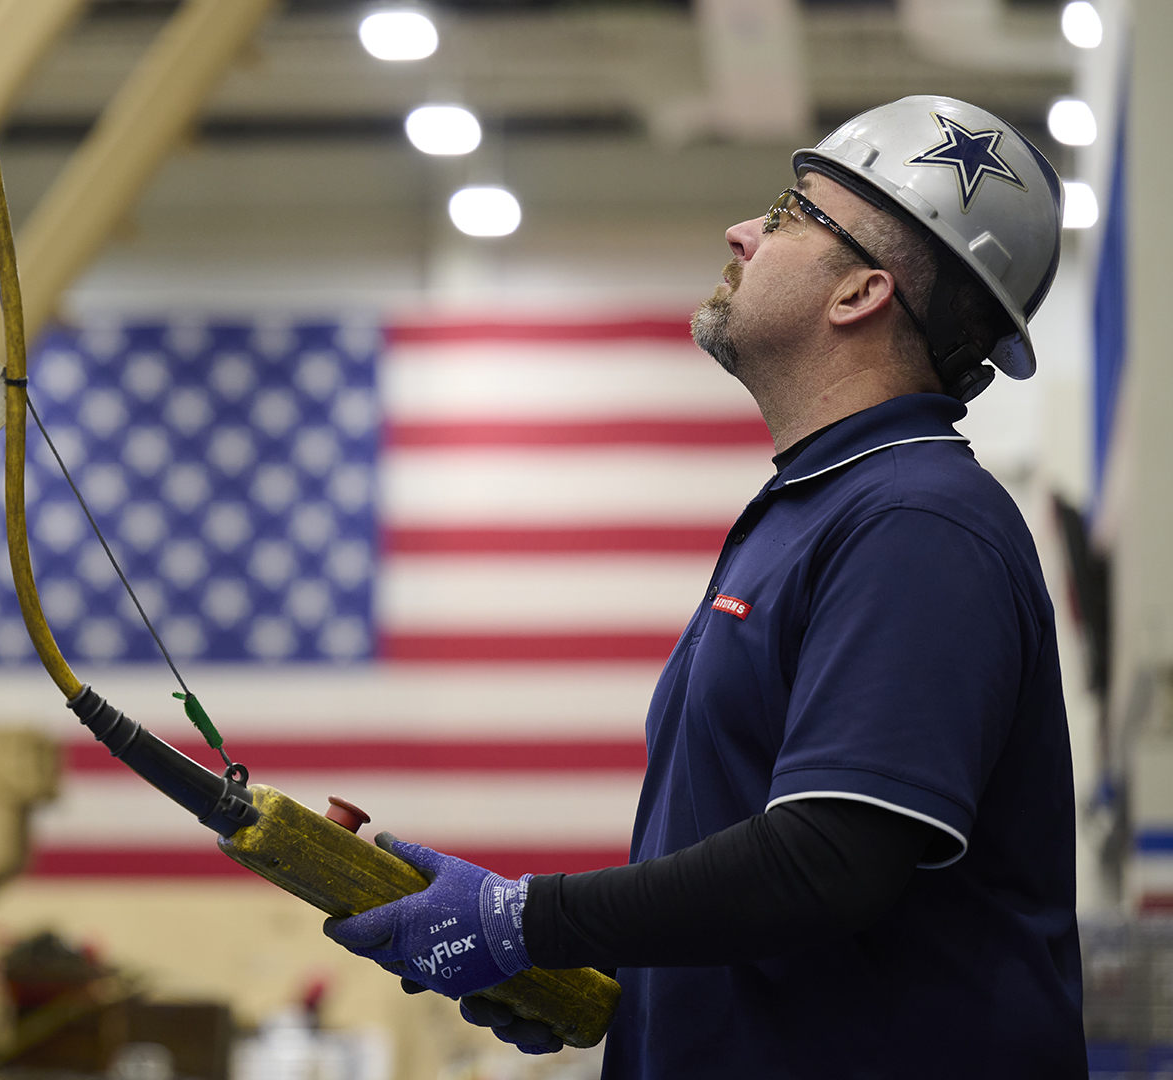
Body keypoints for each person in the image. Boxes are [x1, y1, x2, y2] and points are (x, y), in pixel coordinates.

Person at [324, 95, 1084, 1078]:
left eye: (785, 214)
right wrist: (599, 972)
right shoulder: (819, 509)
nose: (740, 233)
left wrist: (529, 920)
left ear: (859, 293)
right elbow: (777, 895)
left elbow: (829, 860)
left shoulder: (914, 521)